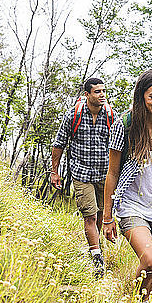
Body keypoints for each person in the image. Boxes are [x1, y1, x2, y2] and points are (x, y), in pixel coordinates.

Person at [103, 69, 152, 303]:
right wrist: (107, 217)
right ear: (142, 96)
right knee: (151, 260)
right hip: (131, 204)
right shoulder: (126, 124)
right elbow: (112, 173)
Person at [51, 77, 114, 279]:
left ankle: (96, 249)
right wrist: (55, 171)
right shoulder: (74, 115)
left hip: (104, 175)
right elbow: (59, 143)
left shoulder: (111, 115)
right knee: (90, 215)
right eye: (97, 92)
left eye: (104, 91)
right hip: (81, 174)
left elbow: (118, 146)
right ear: (87, 94)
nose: (102, 95)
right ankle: (97, 259)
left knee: (102, 216)